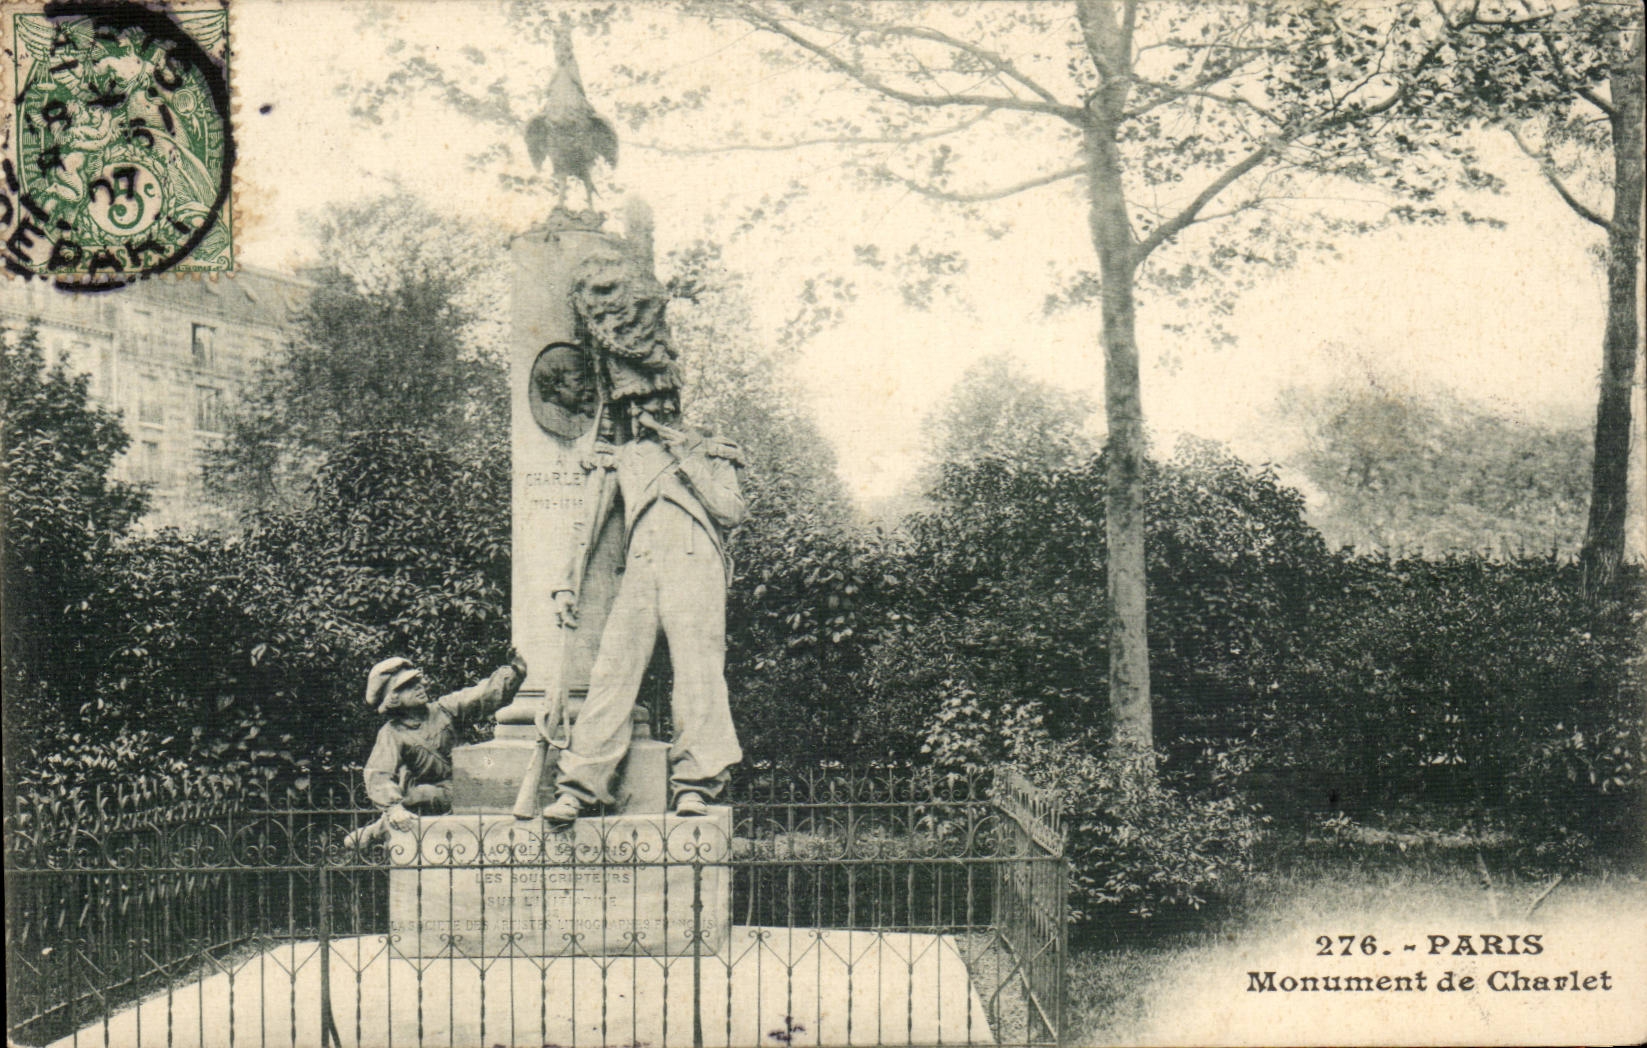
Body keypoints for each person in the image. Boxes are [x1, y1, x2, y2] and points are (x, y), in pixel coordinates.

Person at [543, 390, 746, 823]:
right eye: (631, 407)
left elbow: (730, 511)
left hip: (695, 565)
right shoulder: (621, 457)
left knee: (698, 675)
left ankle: (695, 786)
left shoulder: (709, 448)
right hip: (642, 568)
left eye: (647, 405)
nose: (637, 415)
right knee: (611, 673)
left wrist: (687, 458)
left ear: (669, 405)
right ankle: (579, 788)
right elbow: (589, 523)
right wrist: (566, 584)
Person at [343, 654, 526, 847]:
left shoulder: (444, 709)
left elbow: (479, 696)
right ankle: (384, 825)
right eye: (409, 686)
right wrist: (394, 808)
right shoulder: (392, 733)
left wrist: (513, 673)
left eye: (417, 681)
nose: (419, 687)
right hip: (435, 793)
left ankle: (379, 828)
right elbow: (378, 774)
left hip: (468, 783)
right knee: (418, 795)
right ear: (393, 697)